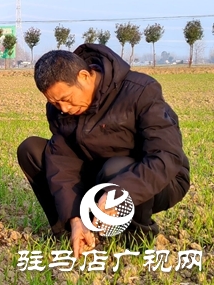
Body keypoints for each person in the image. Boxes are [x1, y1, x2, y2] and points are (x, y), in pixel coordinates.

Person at [17, 44, 190, 259]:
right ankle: (71, 233)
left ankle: (136, 236)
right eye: (54, 102)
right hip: (100, 176)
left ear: (84, 76)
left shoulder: (140, 91)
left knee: (114, 167)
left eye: (66, 99)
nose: (63, 109)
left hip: (160, 180)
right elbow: (62, 161)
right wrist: (75, 219)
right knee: (31, 150)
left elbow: (166, 156)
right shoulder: (59, 110)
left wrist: (119, 190)